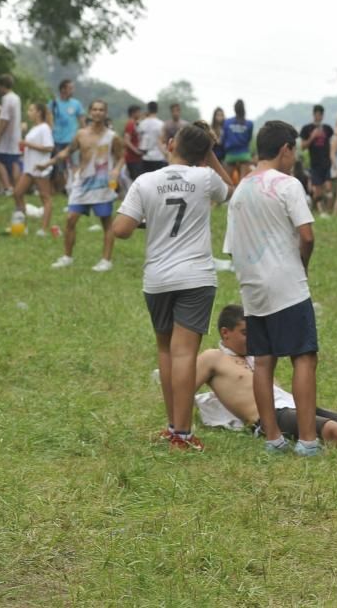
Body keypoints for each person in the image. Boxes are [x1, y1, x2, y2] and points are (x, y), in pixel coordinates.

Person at [113, 121, 232, 451]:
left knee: (166, 351)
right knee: (185, 354)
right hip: (195, 277)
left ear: (169, 145)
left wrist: (151, 222)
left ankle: (173, 427)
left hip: (158, 278)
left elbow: (121, 229)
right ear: (203, 152)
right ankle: (182, 433)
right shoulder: (205, 178)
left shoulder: (145, 181)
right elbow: (230, 192)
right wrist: (210, 155)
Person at [195, 305, 337, 455]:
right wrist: (179, 425)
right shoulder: (213, 358)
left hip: (294, 405)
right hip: (269, 416)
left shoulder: (257, 358)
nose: (253, 338)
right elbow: (183, 387)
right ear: (226, 333)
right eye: (246, 333)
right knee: (332, 429)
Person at [223, 120, 320, 455]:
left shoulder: (240, 191)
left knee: (263, 361)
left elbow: (232, 247)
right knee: (304, 357)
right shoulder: (287, 185)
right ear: (285, 149)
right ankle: (308, 440)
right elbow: (306, 235)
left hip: (253, 289)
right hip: (287, 284)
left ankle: (273, 439)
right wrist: (302, 265)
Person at [49, 100, 124, 272]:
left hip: (102, 185)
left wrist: (117, 171)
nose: (97, 112)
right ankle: (67, 257)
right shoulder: (81, 134)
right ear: (90, 112)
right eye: (95, 109)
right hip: (82, 184)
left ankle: (106, 260)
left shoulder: (113, 137)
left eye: (101, 110)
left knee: (106, 222)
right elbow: (68, 151)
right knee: (70, 219)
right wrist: (49, 163)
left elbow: (121, 157)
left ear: (105, 113)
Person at [12, 102, 55, 236]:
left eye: (31, 109)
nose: (28, 112)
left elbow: (49, 147)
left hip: (40, 168)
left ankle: (43, 229)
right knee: (17, 193)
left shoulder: (44, 128)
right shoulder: (34, 128)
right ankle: (22, 224)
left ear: (39, 112)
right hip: (29, 168)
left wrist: (27, 144)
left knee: (45, 197)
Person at [48, 79, 85, 192]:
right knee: (60, 167)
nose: (72, 90)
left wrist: (84, 137)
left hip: (73, 140)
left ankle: (75, 188)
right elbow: (49, 121)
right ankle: (63, 189)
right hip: (57, 139)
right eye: (70, 88)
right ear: (63, 89)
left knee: (75, 164)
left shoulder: (76, 104)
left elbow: (82, 121)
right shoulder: (53, 103)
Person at [300, 105, 334, 216]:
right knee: (317, 190)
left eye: (321, 114)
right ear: (314, 114)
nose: (319, 116)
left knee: (329, 188)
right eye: (317, 114)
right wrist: (312, 137)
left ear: (323, 115)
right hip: (315, 164)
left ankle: (328, 212)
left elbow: (332, 143)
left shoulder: (327, 129)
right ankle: (319, 211)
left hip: (327, 163)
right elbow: (303, 146)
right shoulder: (307, 129)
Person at [0, 74, 22, 193]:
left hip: (7, 138)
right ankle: (17, 187)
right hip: (16, 136)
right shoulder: (16, 98)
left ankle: (7, 187)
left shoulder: (6, 98)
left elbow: (4, 119)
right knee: (14, 162)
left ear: (1, 86)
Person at [223, 99, 254, 182]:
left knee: (227, 181)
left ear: (234, 109)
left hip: (230, 155)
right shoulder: (249, 123)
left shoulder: (227, 122)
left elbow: (224, 138)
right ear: (244, 109)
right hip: (244, 155)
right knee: (242, 181)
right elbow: (249, 139)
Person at [135, 101, 165, 180]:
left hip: (146, 157)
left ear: (148, 110)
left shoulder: (142, 124)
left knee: (146, 182)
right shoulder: (161, 124)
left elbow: (138, 138)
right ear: (157, 110)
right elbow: (162, 140)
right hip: (159, 157)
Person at [123, 105, 143, 184]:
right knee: (136, 181)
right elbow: (126, 140)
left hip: (136, 158)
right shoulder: (130, 124)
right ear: (133, 113)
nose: (140, 114)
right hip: (132, 158)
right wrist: (136, 151)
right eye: (138, 112)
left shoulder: (135, 124)